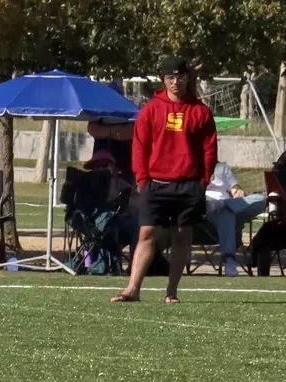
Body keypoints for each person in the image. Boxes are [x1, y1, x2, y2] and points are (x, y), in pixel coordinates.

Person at [111, 56, 217, 303]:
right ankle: (132, 289)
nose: (175, 82)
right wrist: (142, 179)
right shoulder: (151, 109)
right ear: (164, 80)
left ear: (188, 78)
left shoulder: (200, 111)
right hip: (155, 184)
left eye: (180, 76)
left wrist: (203, 179)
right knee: (146, 233)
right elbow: (140, 147)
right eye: (170, 77)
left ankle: (172, 292)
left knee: (182, 235)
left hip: (189, 184)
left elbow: (209, 148)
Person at [205, 162, 265, 276]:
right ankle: (230, 260)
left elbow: (235, 187)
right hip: (205, 209)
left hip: (228, 206)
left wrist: (238, 190)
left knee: (260, 199)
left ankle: (225, 204)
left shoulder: (222, 167)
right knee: (226, 211)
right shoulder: (191, 164)